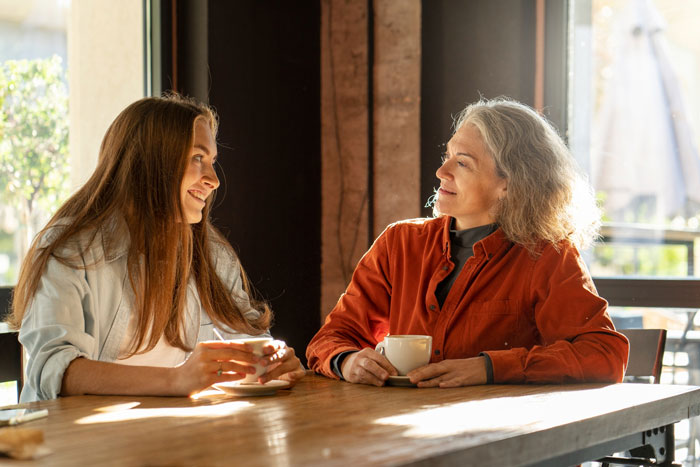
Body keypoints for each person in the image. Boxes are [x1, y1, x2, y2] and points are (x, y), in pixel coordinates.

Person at [306, 97, 629, 387]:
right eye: (447, 156)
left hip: (506, 441)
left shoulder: (547, 255)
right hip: (403, 431)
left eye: (462, 162)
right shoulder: (399, 242)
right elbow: (332, 338)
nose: (441, 171)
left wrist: (488, 368)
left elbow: (603, 354)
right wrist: (347, 360)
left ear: (509, 183)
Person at [9, 94, 305, 401]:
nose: (214, 180)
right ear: (151, 161)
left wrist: (269, 360)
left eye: (212, 161)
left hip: (173, 435)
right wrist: (176, 380)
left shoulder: (211, 252)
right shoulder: (70, 249)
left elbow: (242, 335)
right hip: (81, 443)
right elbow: (52, 370)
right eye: (197, 158)